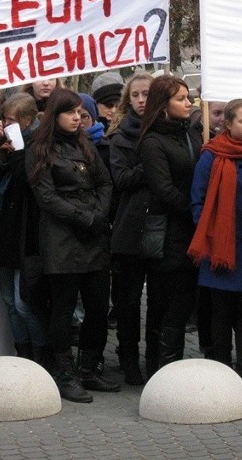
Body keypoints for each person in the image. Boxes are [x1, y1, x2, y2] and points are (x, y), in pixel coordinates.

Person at [26, 88, 119, 403]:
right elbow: (47, 197)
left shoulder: (86, 145)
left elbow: (105, 182)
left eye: (80, 113)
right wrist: (84, 217)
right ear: (56, 114)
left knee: (97, 307)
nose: (77, 118)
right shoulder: (40, 150)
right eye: (70, 112)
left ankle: (89, 368)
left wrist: (99, 214)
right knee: (63, 309)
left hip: (93, 236)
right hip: (62, 239)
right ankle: (64, 374)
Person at [113, 76, 202, 384]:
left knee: (174, 305)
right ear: (164, 105)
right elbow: (163, 187)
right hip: (158, 231)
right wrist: (195, 211)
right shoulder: (150, 141)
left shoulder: (191, 134)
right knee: (150, 304)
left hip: (184, 232)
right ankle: (152, 368)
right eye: (181, 98)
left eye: (188, 97)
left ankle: (166, 366)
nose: (189, 103)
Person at [189, 99, 242, 378]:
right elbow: (198, 201)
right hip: (220, 246)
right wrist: (213, 232)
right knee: (221, 315)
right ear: (227, 124)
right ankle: (222, 370)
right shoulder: (210, 156)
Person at [107, 70, 154, 384]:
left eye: (147, 94)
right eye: (135, 95)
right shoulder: (120, 135)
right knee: (128, 300)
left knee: (160, 301)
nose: (141, 100)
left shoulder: (168, 132)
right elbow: (121, 179)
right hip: (128, 228)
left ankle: (156, 359)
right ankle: (128, 358)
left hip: (162, 227)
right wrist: (151, 162)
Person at [0, 93, 48, 362]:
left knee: (23, 303)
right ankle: (22, 351)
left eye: (11, 120)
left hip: (26, 235)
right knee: (9, 303)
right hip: (4, 231)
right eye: (5, 119)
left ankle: (41, 353)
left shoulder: (38, 146)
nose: (6, 124)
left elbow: (29, 182)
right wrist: (1, 155)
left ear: (27, 120)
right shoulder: (7, 144)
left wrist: (16, 155)